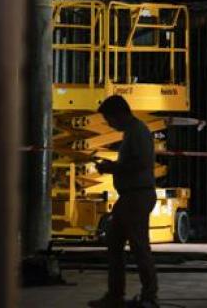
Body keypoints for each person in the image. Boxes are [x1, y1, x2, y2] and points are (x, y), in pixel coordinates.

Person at [88, 95, 159, 308]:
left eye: (109, 119)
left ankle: (149, 297)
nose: (110, 124)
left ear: (119, 114)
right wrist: (115, 166)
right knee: (115, 243)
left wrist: (112, 168)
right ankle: (115, 295)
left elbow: (141, 163)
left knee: (139, 247)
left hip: (136, 196)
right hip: (130, 196)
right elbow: (135, 162)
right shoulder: (132, 132)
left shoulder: (137, 131)